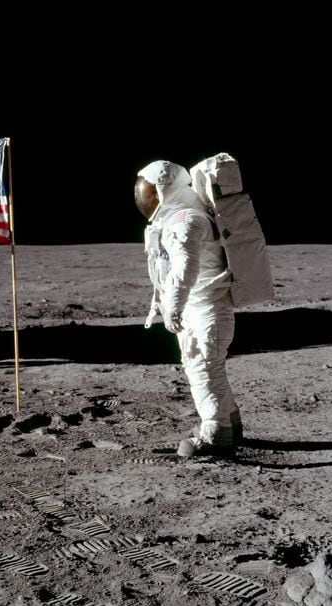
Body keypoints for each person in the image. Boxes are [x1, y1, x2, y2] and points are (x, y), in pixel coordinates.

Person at [136, 160, 242, 457]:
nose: (147, 200)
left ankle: (216, 435)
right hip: (207, 307)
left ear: (166, 191)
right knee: (211, 369)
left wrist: (173, 306)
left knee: (202, 370)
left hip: (206, 310)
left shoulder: (184, 221)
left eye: (151, 193)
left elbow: (185, 268)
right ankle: (231, 424)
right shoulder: (187, 216)